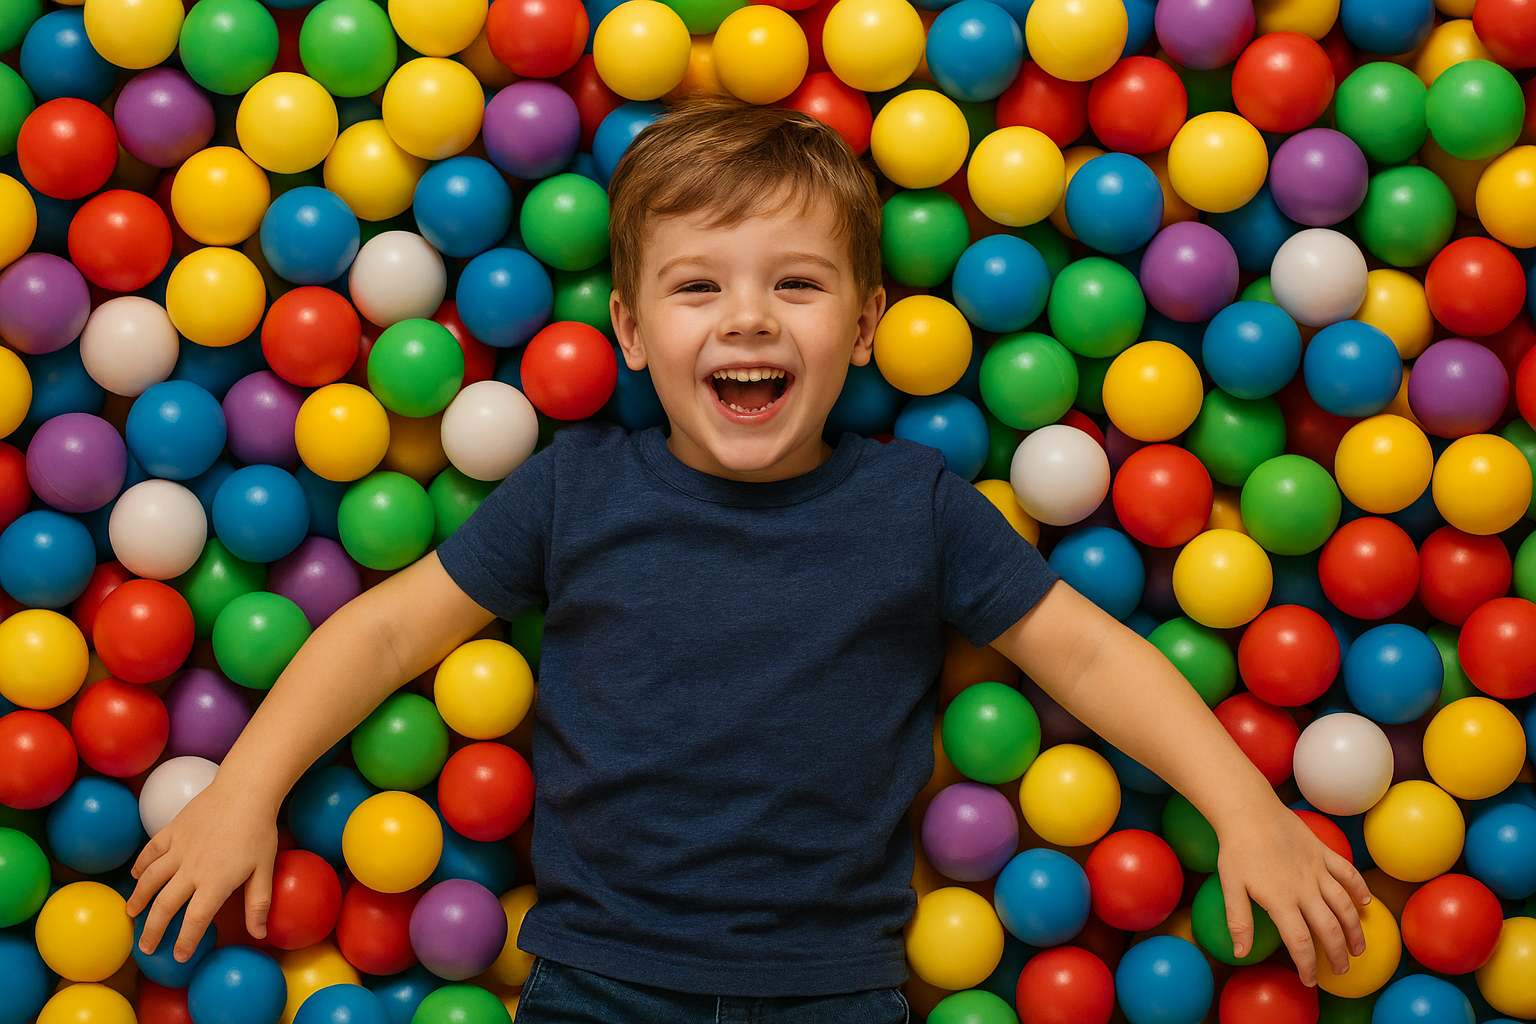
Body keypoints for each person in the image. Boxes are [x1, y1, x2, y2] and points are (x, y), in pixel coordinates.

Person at [128, 96, 1369, 1022]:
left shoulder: (916, 506)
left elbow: (1089, 653)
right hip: (597, 982)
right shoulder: (577, 491)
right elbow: (391, 630)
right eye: (695, 286)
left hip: (829, 991)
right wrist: (246, 789)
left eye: (797, 282)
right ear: (627, 327)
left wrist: (1244, 809)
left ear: (868, 327)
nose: (748, 317)